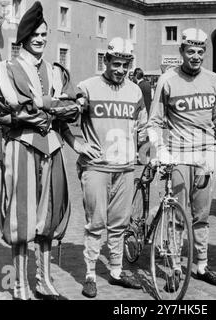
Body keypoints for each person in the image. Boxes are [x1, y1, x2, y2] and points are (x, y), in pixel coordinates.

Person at [0, 1, 81, 300]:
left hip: (52, 149)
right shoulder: (6, 69)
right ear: (24, 37)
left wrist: (43, 104)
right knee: (22, 217)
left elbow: (74, 108)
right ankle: (20, 285)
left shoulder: (56, 70)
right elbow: (8, 109)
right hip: (22, 147)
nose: (41, 39)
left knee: (50, 216)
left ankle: (44, 281)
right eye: (35, 35)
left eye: (44, 34)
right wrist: (50, 106)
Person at [147, 28, 216, 291]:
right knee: (177, 216)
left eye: (200, 51)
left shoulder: (214, 79)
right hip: (179, 154)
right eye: (190, 51)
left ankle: (201, 265)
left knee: (202, 215)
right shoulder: (167, 80)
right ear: (181, 52)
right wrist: (160, 149)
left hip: (205, 155)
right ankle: (173, 267)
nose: (196, 56)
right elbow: (155, 121)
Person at [74, 37, 147, 298]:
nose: (120, 70)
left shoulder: (136, 91)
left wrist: (147, 152)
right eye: (116, 64)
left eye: (125, 66)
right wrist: (77, 145)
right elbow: (69, 119)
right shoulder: (88, 86)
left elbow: (143, 127)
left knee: (119, 224)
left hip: (126, 168)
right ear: (105, 60)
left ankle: (116, 271)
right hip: (96, 167)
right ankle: (90, 274)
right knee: (96, 223)